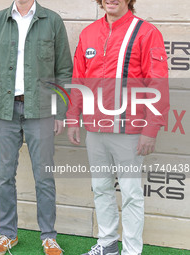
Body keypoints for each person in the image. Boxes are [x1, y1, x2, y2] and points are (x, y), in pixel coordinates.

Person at [66, 0, 169, 255]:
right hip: (95, 129)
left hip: (130, 130)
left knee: (132, 194)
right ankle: (107, 243)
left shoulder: (145, 32)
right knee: (101, 188)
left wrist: (150, 130)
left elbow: (157, 83)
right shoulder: (89, 32)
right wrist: (72, 117)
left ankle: (131, 251)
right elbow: (79, 77)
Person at [0, 0, 72, 254]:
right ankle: (7, 234)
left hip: (40, 111)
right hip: (5, 110)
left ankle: (49, 237)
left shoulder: (52, 20)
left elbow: (64, 70)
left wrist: (61, 111)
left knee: (44, 177)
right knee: (4, 175)